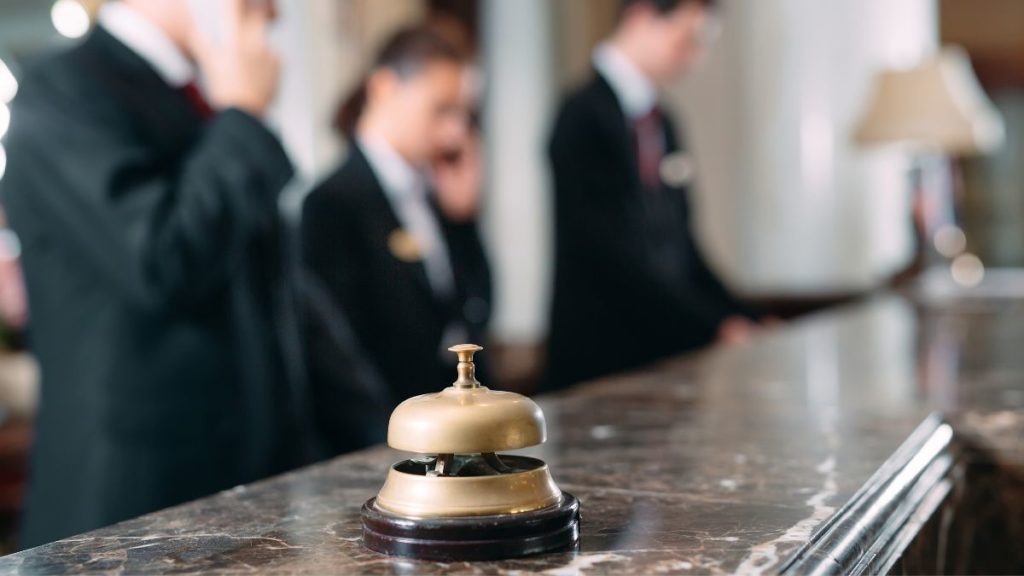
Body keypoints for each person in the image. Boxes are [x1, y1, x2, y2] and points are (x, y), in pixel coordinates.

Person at [0, 0, 312, 547]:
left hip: (245, 486)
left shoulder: (199, 100)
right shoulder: (63, 88)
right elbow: (161, 260)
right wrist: (243, 114)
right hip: (133, 504)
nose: (273, 12)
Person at [545, 0, 763, 390]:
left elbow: (683, 249)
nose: (694, 58)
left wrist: (743, 316)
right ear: (642, 17)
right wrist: (712, 326)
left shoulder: (664, 122)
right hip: (602, 362)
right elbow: (611, 256)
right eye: (686, 40)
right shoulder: (582, 116)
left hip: (665, 357)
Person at [303, 28, 491, 410]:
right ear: (385, 88)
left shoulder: (437, 193)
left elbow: (473, 314)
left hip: (453, 419)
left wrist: (464, 220)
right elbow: (339, 352)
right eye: (441, 109)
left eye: (463, 115)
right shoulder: (330, 204)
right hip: (388, 427)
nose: (456, 133)